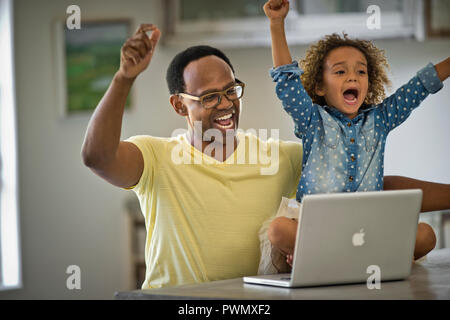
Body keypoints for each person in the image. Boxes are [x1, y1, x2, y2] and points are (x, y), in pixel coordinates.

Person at [82, 23, 447, 288]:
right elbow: (97, 157)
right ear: (180, 105)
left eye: (231, 91)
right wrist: (123, 80)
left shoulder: (278, 156)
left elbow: (367, 186)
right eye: (209, 97)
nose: (225, 104)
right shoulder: (157, 156)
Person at [261, 0, 449, 272]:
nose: (353, 77)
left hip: (365, 229)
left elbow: (419, 88)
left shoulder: (381, 120)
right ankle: (361, 260)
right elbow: (287, 82)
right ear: (319, 86)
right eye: (340, 71)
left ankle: (335, 260)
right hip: (317, 229)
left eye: (361, 71)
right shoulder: (313, 121)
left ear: (369, 84)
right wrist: (276, 24)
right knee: (278, 230)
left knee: (426, 235)